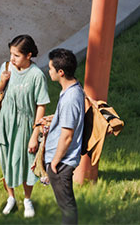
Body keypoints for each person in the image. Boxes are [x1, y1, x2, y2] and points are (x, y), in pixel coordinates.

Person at [0, 35, 50, 218]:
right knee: (6, 160)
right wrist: (3, 80)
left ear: (29, 55)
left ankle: (27, 199)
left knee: (27, 163)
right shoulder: (7, 67)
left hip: (26, 125)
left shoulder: (37, 76)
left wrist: (35, 134)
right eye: (11, 53)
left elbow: (41, 105)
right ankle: (11, 197)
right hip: (6, 122)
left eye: (16, 55)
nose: (12, 58)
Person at [40, 48, 85, 224]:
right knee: (66, 206)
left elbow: (67, 135)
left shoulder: (70, 98)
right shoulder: (71, 90)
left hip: (61, 164)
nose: (48, 71)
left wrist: (54, 163)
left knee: (67, 208)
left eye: (51, 68)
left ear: (60, 72)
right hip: (60, 162)